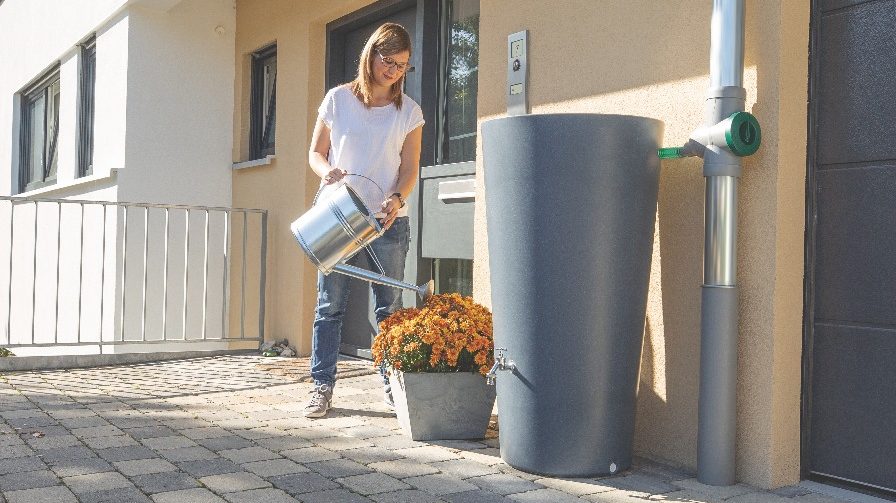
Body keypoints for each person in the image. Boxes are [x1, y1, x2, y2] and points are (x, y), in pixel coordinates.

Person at [304, 23, 424, 418]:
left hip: (387, 224)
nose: (393, 71)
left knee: (389, 310)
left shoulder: (408, 112)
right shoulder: (338, 99)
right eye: (388, 61)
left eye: (402, 65)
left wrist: (396, 198)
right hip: (339, 218)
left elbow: (410, 168)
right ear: (370, 55)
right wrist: (327, 172)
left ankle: (393, 385)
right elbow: (316, 153)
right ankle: (321, 387)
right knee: (329, 307)